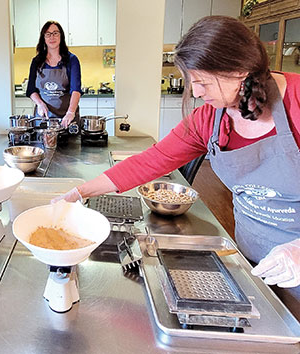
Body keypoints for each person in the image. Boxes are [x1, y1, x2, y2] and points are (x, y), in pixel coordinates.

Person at [55, 16, 300, 319]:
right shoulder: (210, 119)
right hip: (254, 265)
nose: (196, 93)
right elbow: (150, 161)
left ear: (239, 70)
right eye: (191, 82)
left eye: (203, 82)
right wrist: (79, 192)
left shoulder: (297, 102)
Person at [26, 21, 82, 128]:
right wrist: (40, 104)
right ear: (44, 38)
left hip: (66, 118)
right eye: (48, 34)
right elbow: (31, 90)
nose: (52, 37)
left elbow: (76, 89)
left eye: (55, 33)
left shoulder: (72, 60)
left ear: (61, 36)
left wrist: (70, 112)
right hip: (43, 118)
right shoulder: (37, 62)